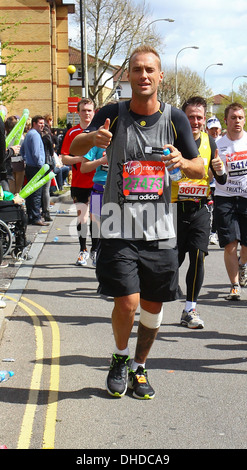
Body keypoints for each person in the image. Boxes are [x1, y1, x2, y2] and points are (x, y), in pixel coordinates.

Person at [70, 45, 205, 400]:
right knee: (127, 302)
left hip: (160, 229)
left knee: (153, 306)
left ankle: (140, 367)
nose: (143, 75)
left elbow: (199, 168)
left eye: (149, 70)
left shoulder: (175, 119)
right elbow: (80, 147)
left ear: (160, 77)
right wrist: (93, 137)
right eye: (136, 69)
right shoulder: (112, 112)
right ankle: (119, 358)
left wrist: (182, 160)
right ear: (127, 76)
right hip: (117, 225)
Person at [172, 97, 226, 329]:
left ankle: (189, 309)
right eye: (190, 117)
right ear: (183, 117)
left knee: (198, 256)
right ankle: (152, 303)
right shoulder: (172, 140)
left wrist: (221, 171)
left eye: (199, 117)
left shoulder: (210, 142)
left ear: (205, 120)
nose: (195, 121)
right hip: (172, 209)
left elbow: (221, 178)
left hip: (199, 208)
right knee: (169, 262)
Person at [214, 102, 247, 300]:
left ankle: (243, 264)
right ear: (226, 120)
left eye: (240, 117)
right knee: (230, 243)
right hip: (224, 197)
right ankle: (234, 285)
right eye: (233, 117)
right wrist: (216, 169)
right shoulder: (218, 145)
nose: (237, 121)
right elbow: (211, 174)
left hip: (246, 196)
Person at [61, 99, 95, 266]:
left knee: (96, 218)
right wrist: (79, 158)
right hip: (80, 182)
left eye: (89, 110)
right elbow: (64, 158)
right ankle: (83, 250)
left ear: (94, 112)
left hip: (98, 182)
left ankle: (95, 250)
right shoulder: (72, 133)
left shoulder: (100, 131)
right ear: (78, 112)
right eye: (83, 110)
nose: (87, 113)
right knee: (82, 218)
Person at [80, 147, 108, 266]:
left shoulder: (125, 139)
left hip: (119, 188)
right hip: (99, 189)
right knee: (96, 222)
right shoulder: (98, 144)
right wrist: (101, 161)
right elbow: (84, 167)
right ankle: (95, 250)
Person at [20, 115, 49, 226]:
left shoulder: (28, 134)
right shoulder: (35, 135)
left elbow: (22, 150)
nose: (42, 125)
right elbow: (37, 154)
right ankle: (36, 217)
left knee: (31, 193)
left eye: (43, 123)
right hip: (37, 168)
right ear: (34, 123)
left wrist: (26, 160)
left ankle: (31, 215)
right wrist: (41, 166)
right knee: (36, 194)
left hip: (30, 167)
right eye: (40, 123)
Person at [206, 115, 222, 245]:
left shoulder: (223, 142)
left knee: (217, 210)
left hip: (220, 184)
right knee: (208, 209)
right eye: (212, 129)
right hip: (207, 183)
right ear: (207, 129)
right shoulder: (204, 141)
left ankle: (213, 233)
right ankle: (208, 231)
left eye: (216, 129)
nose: (214, 131)